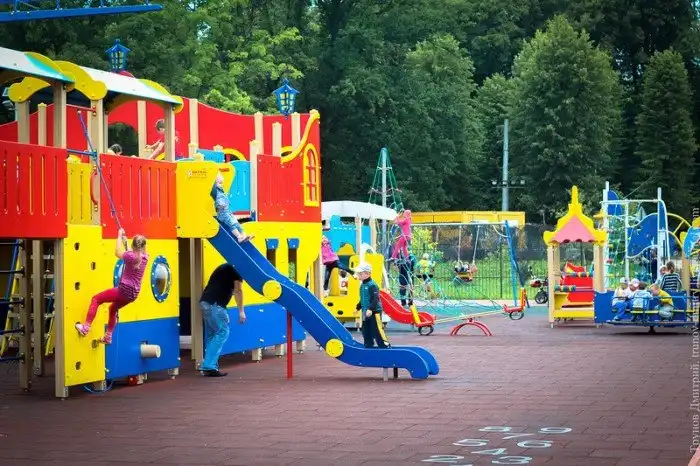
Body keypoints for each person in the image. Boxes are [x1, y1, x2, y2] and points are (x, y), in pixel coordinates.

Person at [76, 229, 148, 344]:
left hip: (124, 290)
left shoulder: (131, 256)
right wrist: (126, 244)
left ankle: (86, 328)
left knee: (96, 299)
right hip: (133, 295)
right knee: (112, 309)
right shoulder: (145, 257)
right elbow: (133, 255)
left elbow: (117, 252)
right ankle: (108, 336)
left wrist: (119, 236)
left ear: (134, 246)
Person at [199, 263, 246, 377]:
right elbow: (238, 290)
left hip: (205, 302)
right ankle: (209, 366)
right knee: (222, 332)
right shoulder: (237, 269)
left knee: (212, 335)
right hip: (216, 304)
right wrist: (241, 311)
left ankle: (209, 366)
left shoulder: (223, 267)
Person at [354, 263, 390, 349]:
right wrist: (357, 307)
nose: (358, 275)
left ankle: (384, 345)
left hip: (374, 311)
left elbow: (375, 299)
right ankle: (368, 345)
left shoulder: (372, 285)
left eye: (360, 273)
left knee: (377, 329)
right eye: (358, 273)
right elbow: (363, 299)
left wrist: (370, 309)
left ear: (368, 274)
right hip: (366, 312)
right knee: (366, 330)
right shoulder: (362, 285)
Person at [211, 173, 252, 242]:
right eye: (220, 183)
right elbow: (218, 203)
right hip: (222, 214)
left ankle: (244, 235)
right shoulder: (216, 192)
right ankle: (239, 237)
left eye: (222, 183)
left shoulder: (221, 192)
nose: (221, 185)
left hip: (227, 212)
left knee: (236, 223)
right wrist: (222, 205)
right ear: (215, 183)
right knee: (232, 224)